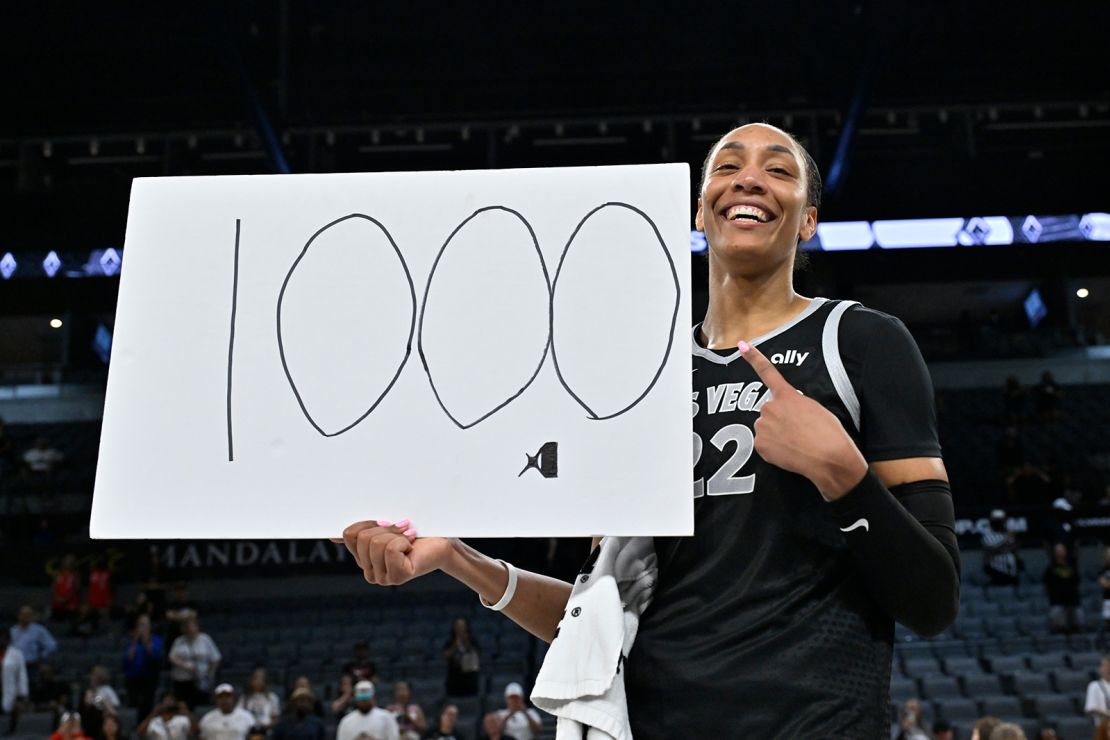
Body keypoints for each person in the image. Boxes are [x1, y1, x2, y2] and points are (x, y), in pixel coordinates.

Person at [338, 122, 960, 738]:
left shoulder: (863, 342)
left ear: (808, 221)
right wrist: (459, 558)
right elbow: (596, 618)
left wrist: (843, 476)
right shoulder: (639, 382)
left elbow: (933, 602)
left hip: (818, 724)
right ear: (698, 212)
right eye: (726, 166)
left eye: (778, 169)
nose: (749, 178)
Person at [168, 616, 221, 708]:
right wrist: (185, 666)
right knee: (183, 704)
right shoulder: (179, 641)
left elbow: (215, 658)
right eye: (187, 627)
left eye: (192, 626)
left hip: (201, 678)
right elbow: (172, 657)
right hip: (182, 679)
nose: (190, 629)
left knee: (200, 704)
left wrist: (210, 673)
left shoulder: (205, 639)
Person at [124, 614, 163, 720]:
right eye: (141, 624)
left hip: (149, 678)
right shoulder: (132, 641)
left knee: (147, 705)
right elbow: (128, 659)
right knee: (134, 706)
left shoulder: (155, 639)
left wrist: (146, 641)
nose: (143, 627)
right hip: (133, 678)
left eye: (145, 624)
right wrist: (134, 641)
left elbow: (155, 656)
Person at [10, 604, 57, 683]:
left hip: (32, 665)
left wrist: (42, 655)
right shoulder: (13, 631)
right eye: (24, 615)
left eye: (28, 615)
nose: (26, 617)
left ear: (31, 616)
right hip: (16, 665)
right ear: (19, 616)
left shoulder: (38, 630)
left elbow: (52, 645)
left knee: (31, 686)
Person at [1043, 542, 1083, 634]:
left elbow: (1078, 581)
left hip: (1073, 600)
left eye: (1062, 550)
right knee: (1059, 627)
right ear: (1054, 552)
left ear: (1065, 551)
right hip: (1057, 601)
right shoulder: (1051, 568)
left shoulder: (1072, 566)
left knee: (1077, 626)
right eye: (1058, 550)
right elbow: (1046, 584)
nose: (1060, 552)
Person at [441, 617, 480, 697]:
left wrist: (466, 643)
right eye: (458, 626)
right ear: (454, 628)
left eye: (462, 626)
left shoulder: (472, 641)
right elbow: (445, 655)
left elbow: (477, 655)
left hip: (470, 680)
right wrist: (455, 645)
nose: (460, 629)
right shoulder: (450, 641)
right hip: (454, 680)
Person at [1, 630, 29, 735]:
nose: (1, 640)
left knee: (9, 713)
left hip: (9, 690)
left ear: (8, 640)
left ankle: (10, 732)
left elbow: (22, 675)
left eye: (4, 638)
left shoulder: (16, 654)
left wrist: (22, 695)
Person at [982, 509, 1020, 586]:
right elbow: (990, 551)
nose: (1000, 523)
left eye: (1001, 521)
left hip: (1012, 570)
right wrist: (1005, 542)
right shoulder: (987, 536)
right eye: (997, 521)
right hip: (996, 570)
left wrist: (1002, 548)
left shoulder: (1008, 534)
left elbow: (1014, 548)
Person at [51, 555, 82, 620]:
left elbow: (76, 590)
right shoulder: (57, 574)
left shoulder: (75, 575)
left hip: (71, 604)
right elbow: (54, 587)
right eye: (66, 560)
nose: (68, 562)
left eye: (70, 561)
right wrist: (57, 597)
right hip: (58, 603)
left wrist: (66, 599)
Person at [1085, 657, 1110, 728]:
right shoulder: (1094, 686)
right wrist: (1108, 714)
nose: (1108, 669)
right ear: (1100, 669)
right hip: (1104, 727)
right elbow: (1091, 708)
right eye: (1105, 666)